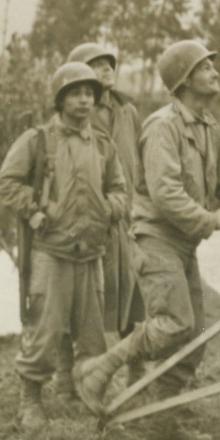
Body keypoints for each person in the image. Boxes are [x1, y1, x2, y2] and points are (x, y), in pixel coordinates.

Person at [74, 40, 220, 440]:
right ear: (185, 81)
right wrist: (213, 220)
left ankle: (165, 422)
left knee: (193, 332)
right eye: (205, 68)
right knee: (175, 323)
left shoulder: (206, 126)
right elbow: (165, 195)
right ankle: (99, 369)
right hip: (156, 238)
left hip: (182, 244)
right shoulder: (162, 126)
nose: (215, 73)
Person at [0, 62, 128, 430]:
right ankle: (31, 402)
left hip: (91, 254)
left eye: (90, 94)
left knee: (92, 336)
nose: (85, 101)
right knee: (45, 330)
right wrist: (35, 210)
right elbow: (6, 184)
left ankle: (89, 398)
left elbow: (120, 190)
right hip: (51, 252)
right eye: (76, 93)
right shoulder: (37, 141)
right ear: (60, 99)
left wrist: (109, 208)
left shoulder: (103, 145)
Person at [67, 43, 144, 335]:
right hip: (93, 223)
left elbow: (138, 164)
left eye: (109, 63)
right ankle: (94, 372)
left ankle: (137, 375)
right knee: (97, 303)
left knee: (134, 298)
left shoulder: (128, 112)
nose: (107, 68)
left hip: (128, 222)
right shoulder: (78, 117)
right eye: (96, 64)